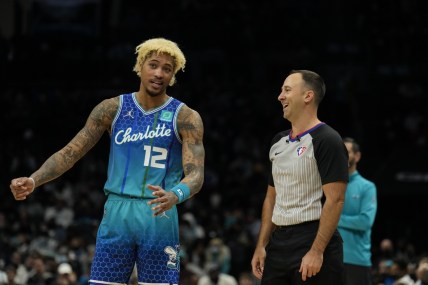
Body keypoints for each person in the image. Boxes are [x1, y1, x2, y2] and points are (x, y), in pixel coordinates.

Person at [10, 37, 205, 285]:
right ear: (140, 66)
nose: (159, 73)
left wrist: (176, 194)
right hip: (117, 213)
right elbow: (71, 152)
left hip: (160, 213)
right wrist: (34, 179)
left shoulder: (186, 116)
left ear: (173, 76)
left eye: (167, 69)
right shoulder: (111, 108)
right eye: (153, 65)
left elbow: (196, 175)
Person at [251, 69, 349, 285]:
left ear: (308, 96)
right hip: (279, 244)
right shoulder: (278, 141)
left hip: (313, 238)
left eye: (287, 90)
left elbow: (336, 199)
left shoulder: (328, 139)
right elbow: (271, 198)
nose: (280, 96)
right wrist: (261, 245)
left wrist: (317, 251)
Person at [338, 137, 378, 285]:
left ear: (357, 156)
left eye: (347, 152)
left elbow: (365, 222)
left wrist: (333, 219)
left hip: (357, 261)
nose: (343, 155)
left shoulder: (367, 187)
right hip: (330, 259)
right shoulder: (330, 186)